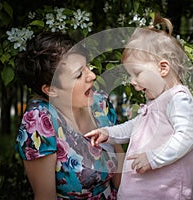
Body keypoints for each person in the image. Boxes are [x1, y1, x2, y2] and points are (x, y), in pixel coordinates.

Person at [85, 15, 193, 200]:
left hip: (168, 192)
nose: (132, 81)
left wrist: (154, 157)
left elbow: (187, 136)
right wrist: (108, 133)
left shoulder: (178, 99)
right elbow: (136, 126)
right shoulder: (157, 100)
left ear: (163, 68)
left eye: (137, 73)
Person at [15, 31, 124, 199]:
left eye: (88, 67)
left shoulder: (100, 104)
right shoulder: (39, 122)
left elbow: (121, 177)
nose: (92, 76)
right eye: (79, 74)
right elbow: (45, 196)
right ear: (51, 90)